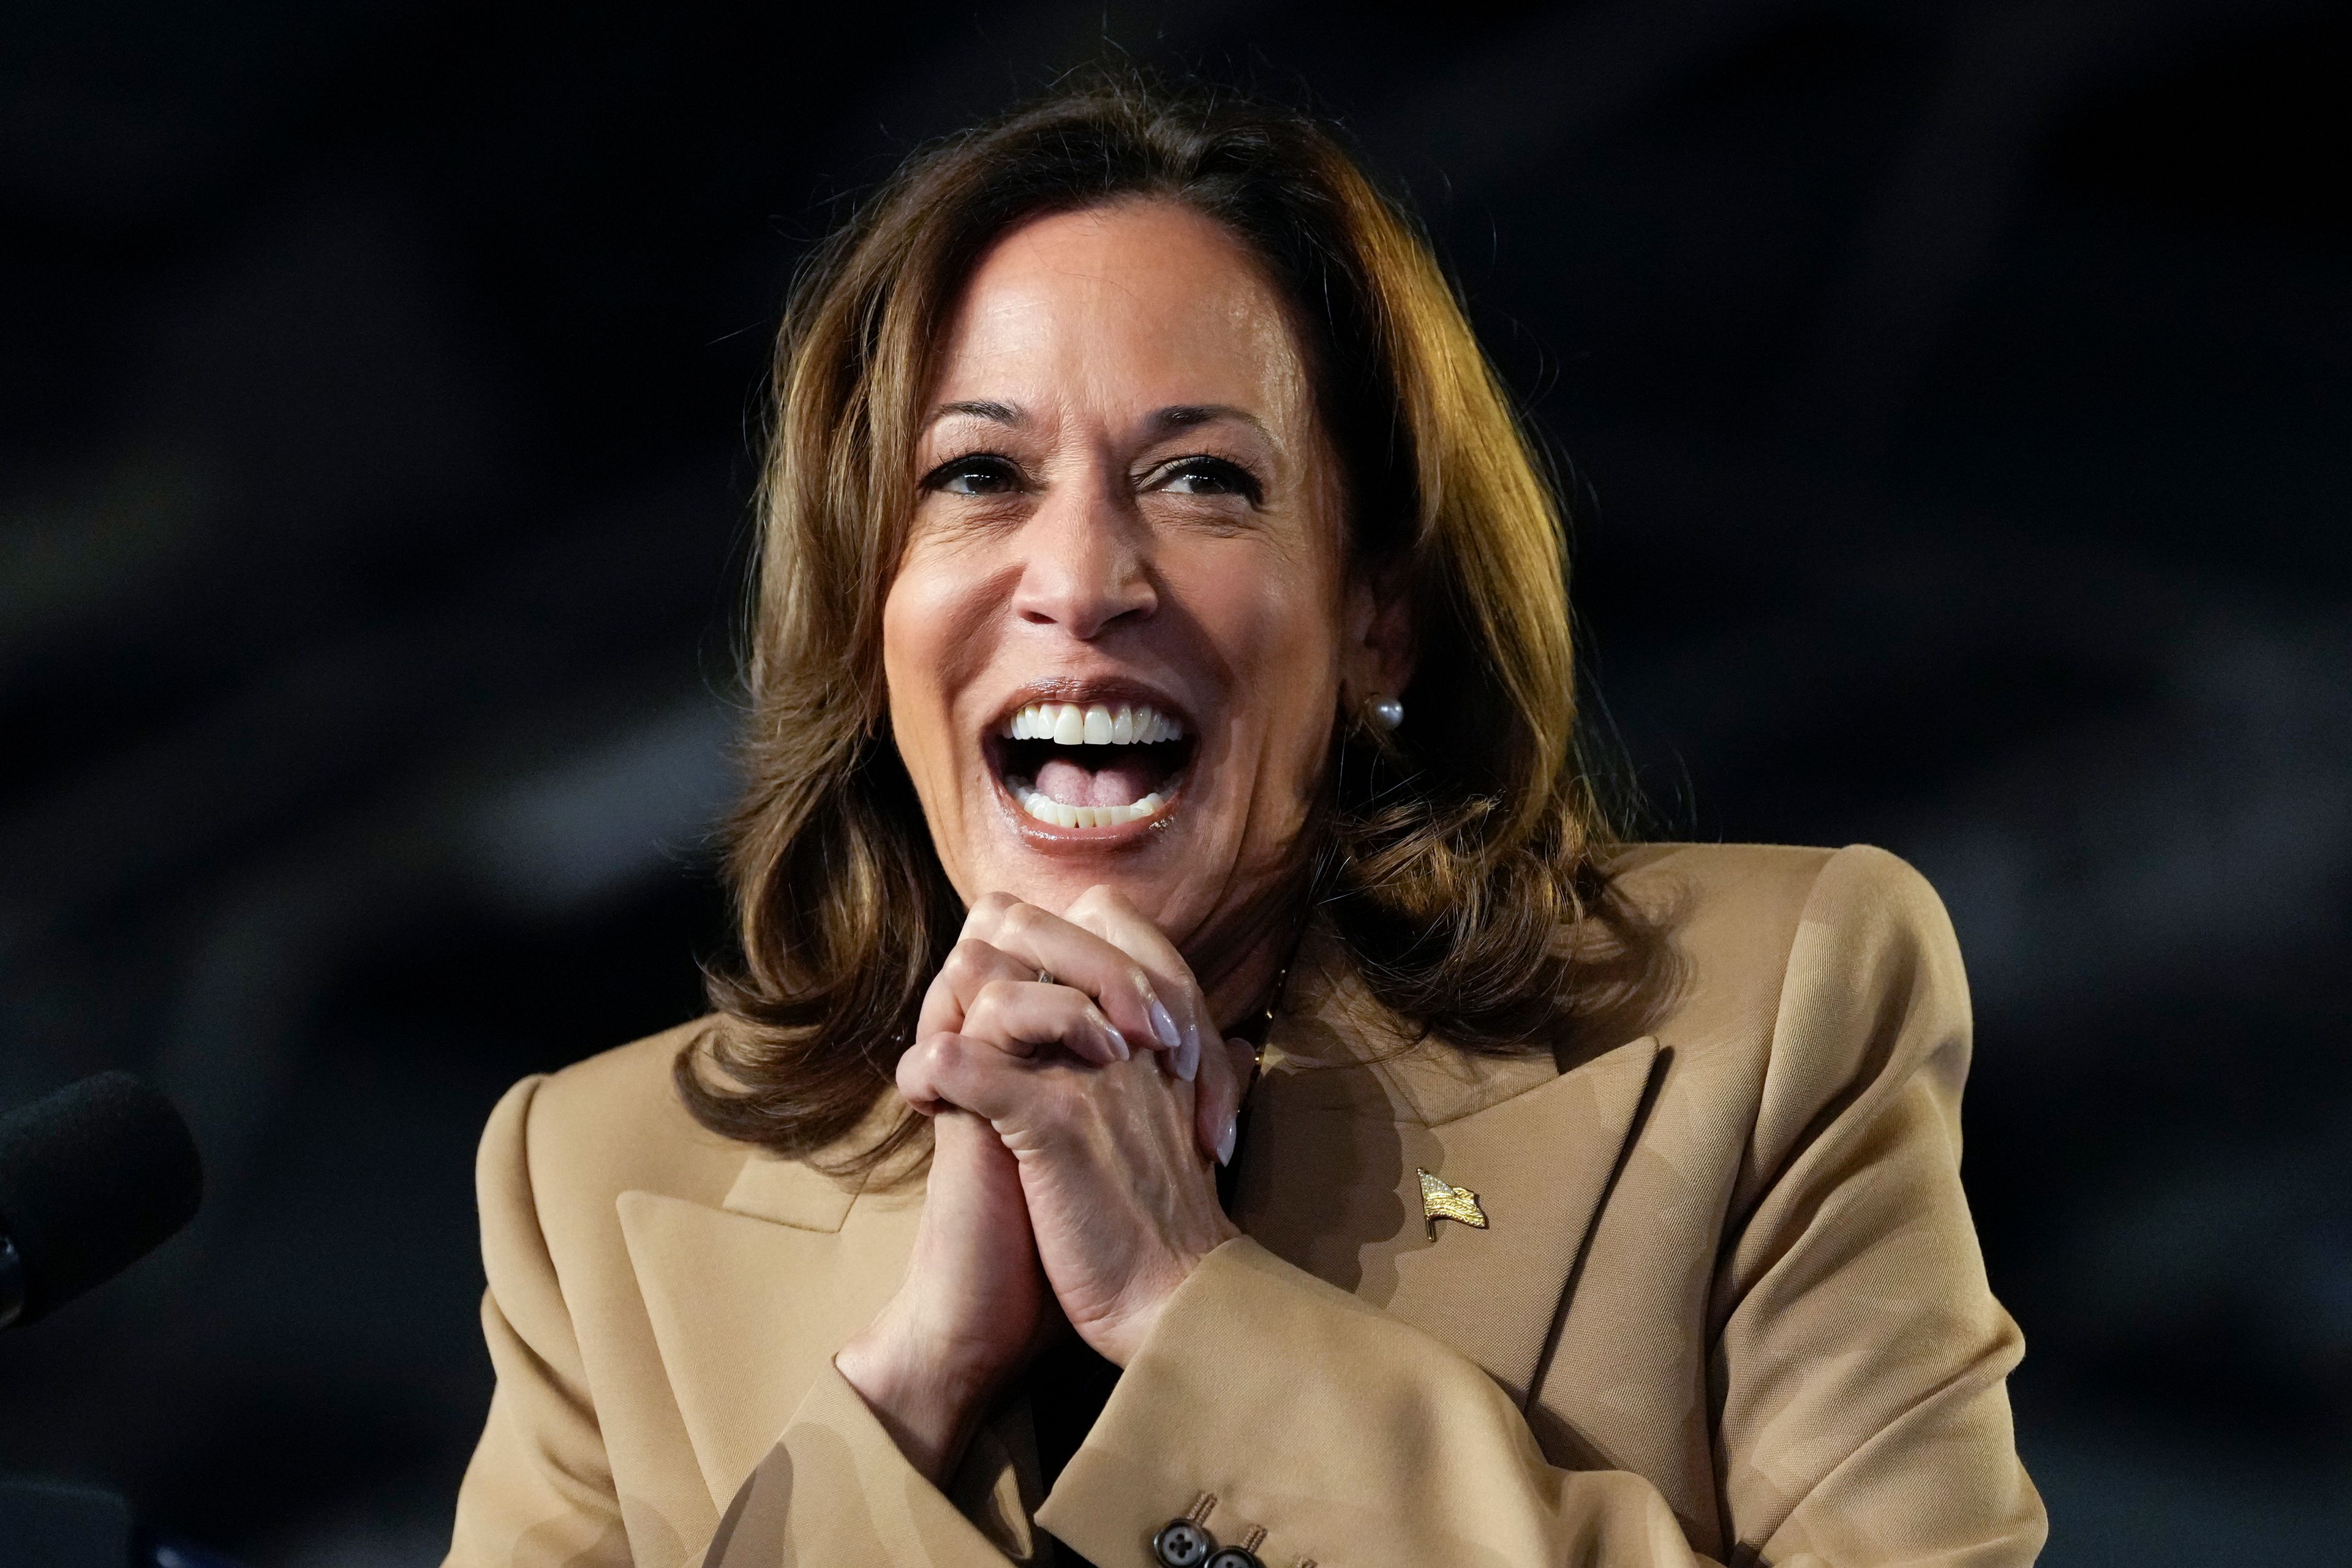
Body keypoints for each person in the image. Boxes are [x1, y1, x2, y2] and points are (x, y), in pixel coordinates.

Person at [443, 75, 2045, 1568]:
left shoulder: (1769, 1018)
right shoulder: (596, 1186)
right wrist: (913, 1396)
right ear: (872, 608)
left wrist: (1184, 1307)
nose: (1080, 582)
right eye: (977, 477)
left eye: (1205, 480)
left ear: (1376, 621)